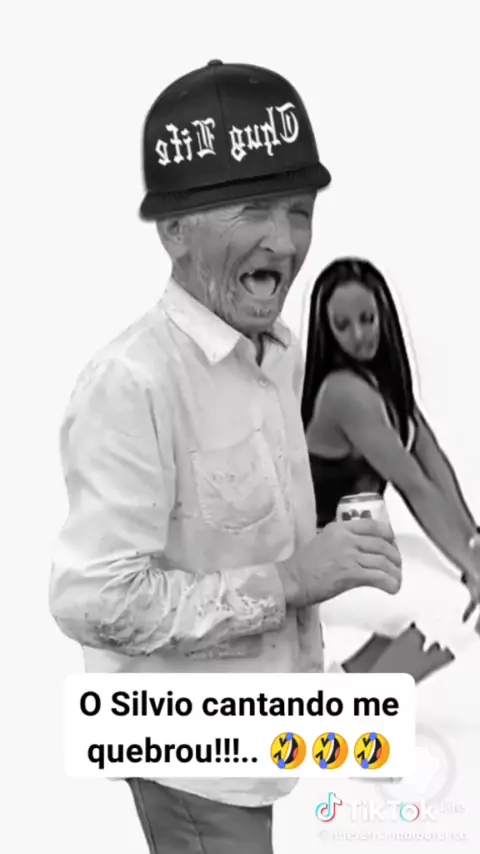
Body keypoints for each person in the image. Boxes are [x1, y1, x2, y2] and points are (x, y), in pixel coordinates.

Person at [49, 64, 402, 853]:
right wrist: (292, 581)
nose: (286, 240)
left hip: (263, 733)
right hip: (193, 761)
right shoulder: (132, 382)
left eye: (299, 210)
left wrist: (334, 556)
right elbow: (92, 600)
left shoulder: (278, 354)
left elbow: (241, 528)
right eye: (253, 209)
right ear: (174, 230)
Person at [301, 256, 480, 672]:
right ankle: (366, 707)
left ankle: (342, 691)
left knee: (454, 585)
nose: (358, 335)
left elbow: (434, 467)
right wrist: (473, 567)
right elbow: (413, 485)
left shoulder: (387, 387)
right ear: (327, 332)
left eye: (367, 319)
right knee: (458, 605)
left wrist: (473, 543)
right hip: (314, 560)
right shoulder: (345, 393)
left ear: (384, 314)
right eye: (342, 325)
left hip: (355, 545)